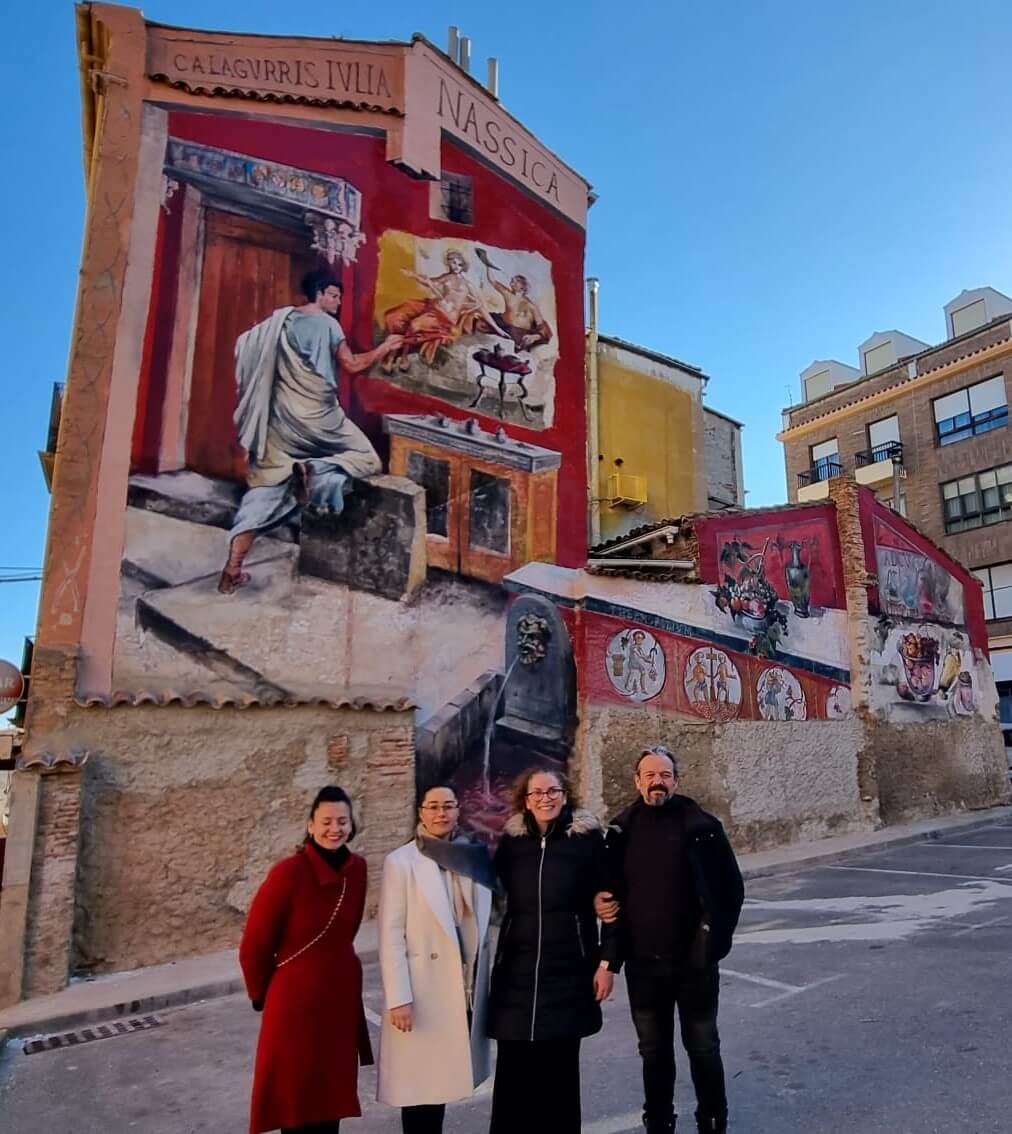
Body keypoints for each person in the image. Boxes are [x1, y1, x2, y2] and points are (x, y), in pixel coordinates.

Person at [219, 270, 403, 593]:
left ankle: (232, 569)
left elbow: (245, 347)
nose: (338, 301)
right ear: (318, 293)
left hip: (282, 422)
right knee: (367, 459)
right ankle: (315, 470)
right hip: (321, 420)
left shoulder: (282, 321)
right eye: (334, 294)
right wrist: (386, 346)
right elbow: (354, 365)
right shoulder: (329, 325)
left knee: (265, 490)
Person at [595, 746, 744, 1134]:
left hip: (694, 965)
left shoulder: (703, 829)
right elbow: (611, 900)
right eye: (649, 774)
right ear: (636, 781)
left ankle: (713, 1119)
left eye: (664, 774)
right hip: (644, 969)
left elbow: (730, 891)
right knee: (653, 1053)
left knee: (704, 1048)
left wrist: (710, 944)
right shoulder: (620, 832)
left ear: (676, 780)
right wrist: (609, 959)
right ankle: (659, 1122)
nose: (657, 781)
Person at [487, 767, 618, 1134]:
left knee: (559, 1077)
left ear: (565, 795)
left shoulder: (587, 841)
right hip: (516, 973)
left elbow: (610, 899)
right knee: (513, 1076)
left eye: (552, 791)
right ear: (525, 801)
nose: (545, 799)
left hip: (569, 971)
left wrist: (607, 962)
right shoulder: (512, 844)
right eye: (537, 793)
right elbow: (490, 897)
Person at [240, 786, 371, 1134]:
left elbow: (349, 928)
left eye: (342, 821)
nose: (335, 829)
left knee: (331, 1100)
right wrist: (260, 993)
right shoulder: (288, 873)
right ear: (311, 826)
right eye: (326, 821)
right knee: (296, 1104)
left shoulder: (357, 870)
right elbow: (254, 944)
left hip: (340, 1002)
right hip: (294, 1005)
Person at [378, 784, 498, 1133]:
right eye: (433, 807)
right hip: (420, 990)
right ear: (420, 812)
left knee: (442, 1083)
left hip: (458, 986)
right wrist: (399, 997)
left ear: (459, 810)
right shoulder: (401, 862)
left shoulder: (472, 856)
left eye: (448, 805)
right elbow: (390, 933)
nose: (441, 813)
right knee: (419, 1086)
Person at [381, 249, 505, 371]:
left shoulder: (468, 285)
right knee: (399, 318)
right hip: (434, 311)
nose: (456, 266)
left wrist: (497, 329)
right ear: (449, 263)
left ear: (463, 266)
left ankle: (402, 356)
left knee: (415, 325)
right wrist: (413, 275)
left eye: (460, 264)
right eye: (454, 263)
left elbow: (482, 308)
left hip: (446, 319)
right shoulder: (446, 277)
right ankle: (393, 355)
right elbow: (429, 282)